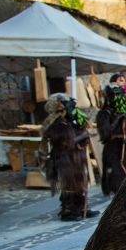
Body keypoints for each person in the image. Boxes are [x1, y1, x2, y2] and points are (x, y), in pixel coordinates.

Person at [42, 93, 98, 221]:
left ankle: (81, 207)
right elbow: (66, 142)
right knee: (69, 184)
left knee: (78, 183)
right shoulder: (56, 124)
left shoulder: (69, 121)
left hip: (75, 158)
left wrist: (82, 133)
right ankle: (68, 211)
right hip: (64, 159)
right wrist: (83, 136)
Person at [96, 84, 126, 195]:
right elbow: (105, 134)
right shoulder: (103, 114)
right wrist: (118, 119)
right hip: (112, 148)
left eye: (119, 94)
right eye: (114, 95)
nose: (117, 97)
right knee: (116, 175)